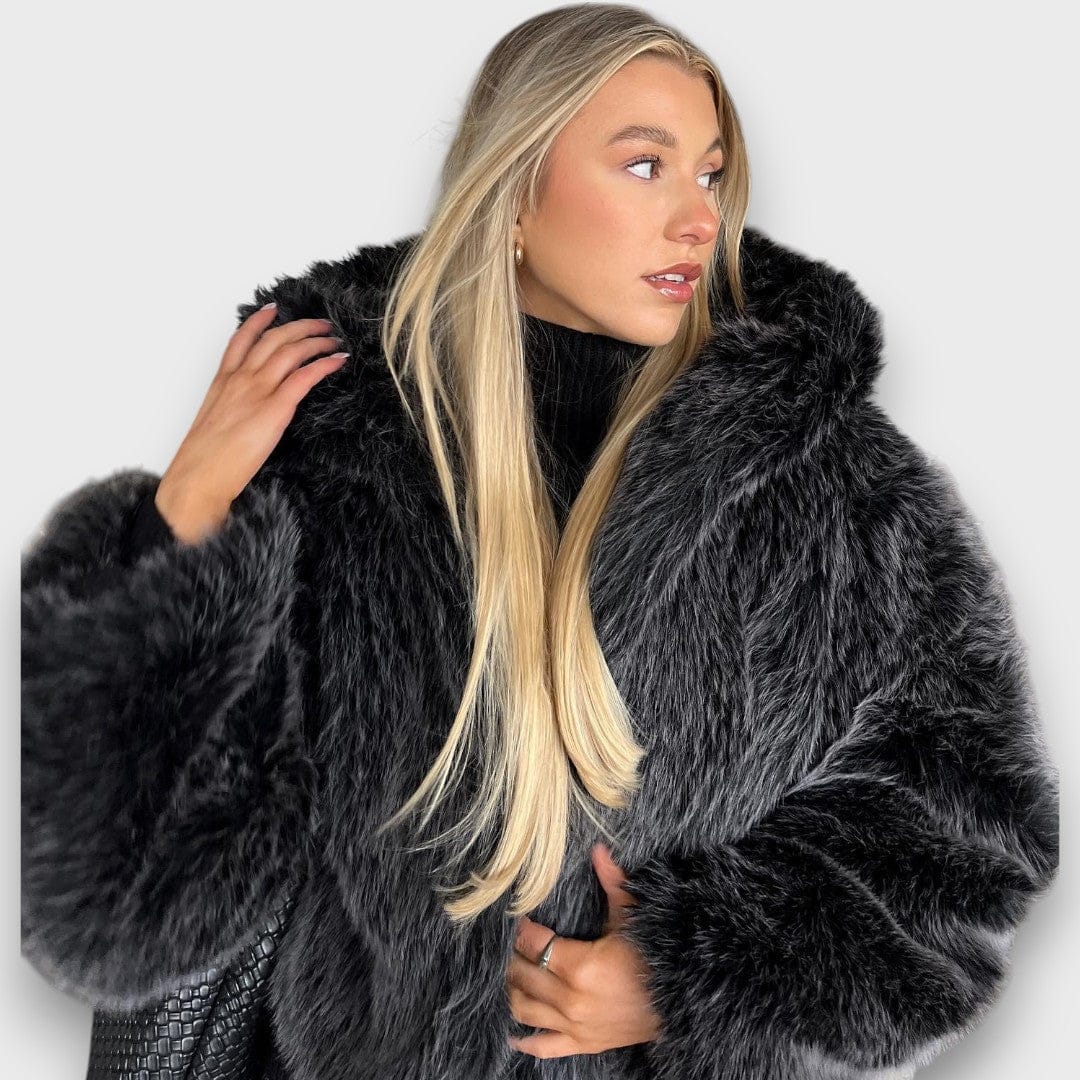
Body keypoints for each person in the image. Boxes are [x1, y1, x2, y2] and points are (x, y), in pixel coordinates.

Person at [20, 5, 1059, 1079]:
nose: (699, 219)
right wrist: (186, 514)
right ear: (516, 188)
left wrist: (698, 974)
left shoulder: (837, 488)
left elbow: (975, 847)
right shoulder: (335, 451)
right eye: (645, 165)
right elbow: (125, 905)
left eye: (710, 175)